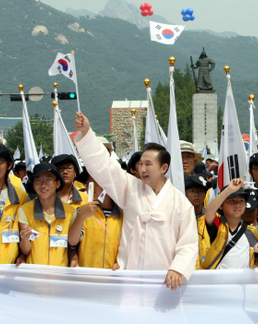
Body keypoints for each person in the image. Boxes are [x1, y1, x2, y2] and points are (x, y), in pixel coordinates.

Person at [74, 111, 198, 290]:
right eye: (140, 164)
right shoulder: (130, 188)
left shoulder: (180, 202)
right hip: (130, 274)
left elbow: (188, 242)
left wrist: (178, 269)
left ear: (164, 168)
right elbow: (106, 167)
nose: (142, 169)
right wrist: (87, 134)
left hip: (165, 279)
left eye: (148, 164)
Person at [18, 163, 77, 267]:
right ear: (33, 184)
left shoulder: (70, 212)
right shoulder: (24, 210)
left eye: (48, 180)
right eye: (38, 180)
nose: (43, 185)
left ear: (58, 183)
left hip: (59, 274)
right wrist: (24, 239)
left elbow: (73, 245)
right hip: (34, 274)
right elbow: (26, 251)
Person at [203, 179, 258, 269]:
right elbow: (209, 211)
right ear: (221, 206)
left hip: (242, 282)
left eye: (241, 200)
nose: (237, 204)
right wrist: (229, 190)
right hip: (218, 281)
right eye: (232, 201)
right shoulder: (218, 226)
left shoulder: (251, 232)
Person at [68, 168, 123, 269]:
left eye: (95, 182)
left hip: (113, 276)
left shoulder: (122, 214)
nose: (90, 186)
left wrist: (122, 262)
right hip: (87, 276)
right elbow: (72, 241)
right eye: (88, 183)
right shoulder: (82, 211)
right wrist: (81, 216)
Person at [183, 174, 211, 269]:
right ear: (185, 193)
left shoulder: (212, 218)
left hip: (208, 272)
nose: (196, 195)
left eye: (200, 191)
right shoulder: (179, 219)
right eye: (192, 191)